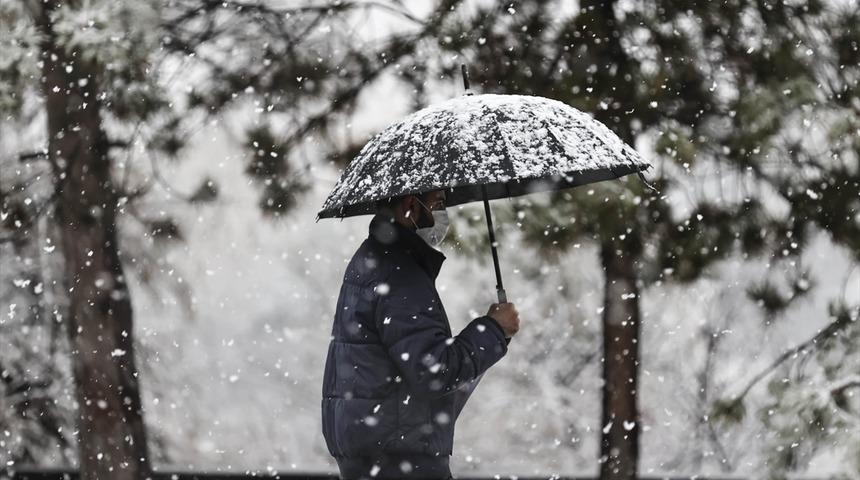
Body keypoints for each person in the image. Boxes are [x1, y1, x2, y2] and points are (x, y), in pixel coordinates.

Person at [321, 188, 520, 480]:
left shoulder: (370, 259)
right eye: (438, 203)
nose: (443, 214)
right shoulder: (400, 274)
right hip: (400, 456)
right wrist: (493, 329)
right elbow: (434, 371)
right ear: (410, 206)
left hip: (373, 451)